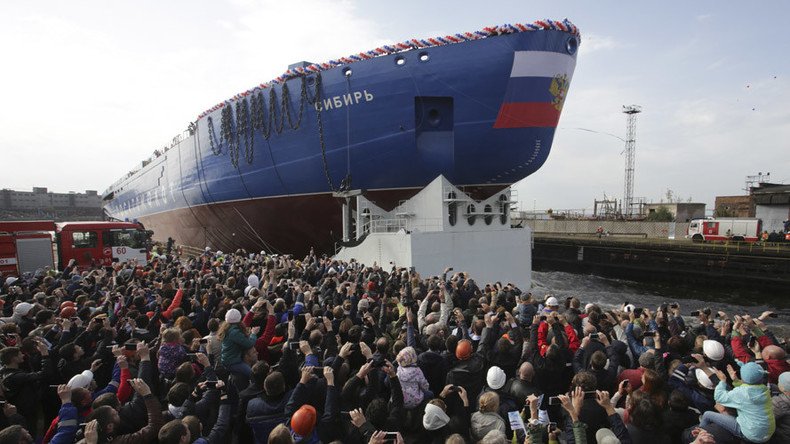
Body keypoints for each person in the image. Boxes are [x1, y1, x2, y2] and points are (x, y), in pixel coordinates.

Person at [219, 309, 260, 378]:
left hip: (230, 360)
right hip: (232, 362)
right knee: (252, 375)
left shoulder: (228, 329)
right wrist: (253, 334)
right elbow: (249, 344)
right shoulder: (234, 332)